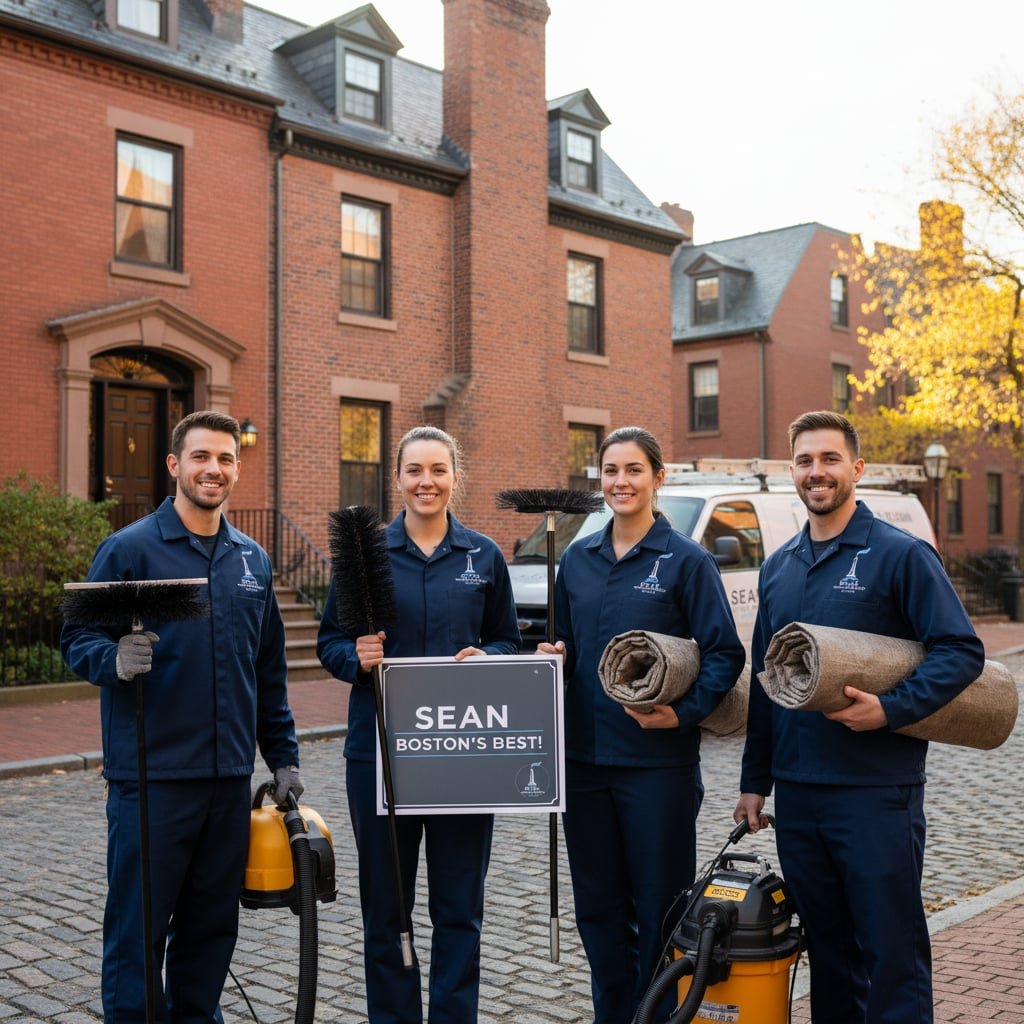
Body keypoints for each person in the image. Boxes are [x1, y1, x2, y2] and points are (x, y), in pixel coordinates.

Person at [734, 410, 986, 1024]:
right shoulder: (780, 566)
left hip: (876, 794)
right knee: (828, 956)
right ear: (792, 471)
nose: (816, 472)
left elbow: (961, 651)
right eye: (804, 461)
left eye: (828, 459)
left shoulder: (899, 555)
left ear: (857, 469)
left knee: (890, 955)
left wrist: (892, 709)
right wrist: (753, 782)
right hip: (799, 794)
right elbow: (770, 681)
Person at [61, 410, 303, 1024]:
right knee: (137, 935)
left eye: (225, 459)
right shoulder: (129, 549)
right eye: (200, 457)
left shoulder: (251, 560)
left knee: (210, 932)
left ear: (237, 468)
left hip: (226, 782)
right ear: (175, 465)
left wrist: (284, 757)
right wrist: (111, 657)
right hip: (152, 779)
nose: (213, 469)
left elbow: (267, 672)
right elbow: (75, 636)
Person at [537, 425, 745, 1024]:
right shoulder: (577, 558)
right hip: (583, 766)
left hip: (658, 769)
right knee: (599, 911)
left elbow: (724, 654)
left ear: (659, 476)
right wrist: (557, 658)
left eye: (633, 470)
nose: (620, 482)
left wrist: (680, 713)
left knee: (661, 910)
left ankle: (657, 1018)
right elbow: (570, 649)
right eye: (610, 471)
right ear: (598, 479)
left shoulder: (686, 561)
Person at [316, 425, 521, 1024]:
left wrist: (493, 658)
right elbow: (331, 641)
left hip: (464, 757)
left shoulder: (483, 555)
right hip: (381, 756)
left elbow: (508, 638)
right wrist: (355, 657)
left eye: (438, 469)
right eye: (415, 471)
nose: (426, 481)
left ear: (456, 476)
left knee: (460, 909)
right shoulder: (365, 556)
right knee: (387, 909)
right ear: (398, 478)